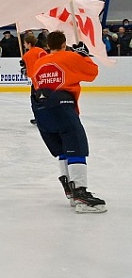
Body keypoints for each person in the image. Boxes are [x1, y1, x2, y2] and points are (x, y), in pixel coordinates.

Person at [28, 31, 105, 213]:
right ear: (64, 44)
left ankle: (69, 189)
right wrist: (84, 55)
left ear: (48, 45)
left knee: (62, 148)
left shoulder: (40, 61)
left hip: (40, 109)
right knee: (76, 144)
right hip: (61, 105)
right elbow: (92, 73)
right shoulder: (69, 57)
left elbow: (35, 82)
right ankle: (80, 192)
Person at [21, 33, 47, 125]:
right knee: (43, 100)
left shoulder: (27, 55)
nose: (24, 45)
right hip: (43, 80)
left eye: (24, 43)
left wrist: (24, 67)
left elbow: (29, 72)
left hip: (36, 82)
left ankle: (40, 118)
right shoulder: (41, 51)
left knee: (36, 101)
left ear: (29, 43)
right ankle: (43, 118)